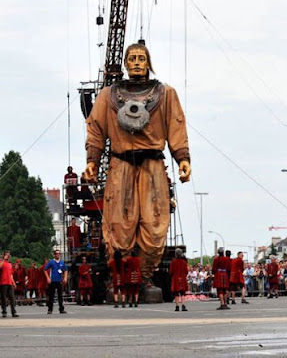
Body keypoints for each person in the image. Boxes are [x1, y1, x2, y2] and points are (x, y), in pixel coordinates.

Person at [84, 42, 192, 280]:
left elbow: (176, 127)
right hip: (120, 165)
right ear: (125, 63)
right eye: (131, 59)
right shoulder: (107, 96)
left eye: (141, 59)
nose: (136, 63)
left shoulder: (166, 94)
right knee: (118, 223)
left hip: (153, 165)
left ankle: (143, 277)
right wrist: (92, 160)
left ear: (148, 63)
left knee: (155, 222)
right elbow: (96, 129)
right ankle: (120, 278)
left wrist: (182, 158)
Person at [44, 250, 68, 314]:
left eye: (59, 253)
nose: (58, 255)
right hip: (53, 280)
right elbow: (45, 269)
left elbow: (65, 270)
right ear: (54, 255)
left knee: (60, 296)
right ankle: (50, 309)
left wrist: (65, 277)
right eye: (56, 254)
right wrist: (48, 278)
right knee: (51, 295)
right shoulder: (51, 262)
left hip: (59, 280)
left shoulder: (62, 262)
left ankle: (61, 309)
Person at [0, 251, 18, 317]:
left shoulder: (10, 264)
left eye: (8, 255)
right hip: (3, 282)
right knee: (3, 298)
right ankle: (4, 312)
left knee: (12, 298)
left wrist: (13, 282)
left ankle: (13, 312)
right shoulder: (1, 262)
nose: (8, 256)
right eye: (6, 254)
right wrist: (3, 259)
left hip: (9, 282)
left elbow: (11, 274)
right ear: (4, 255)